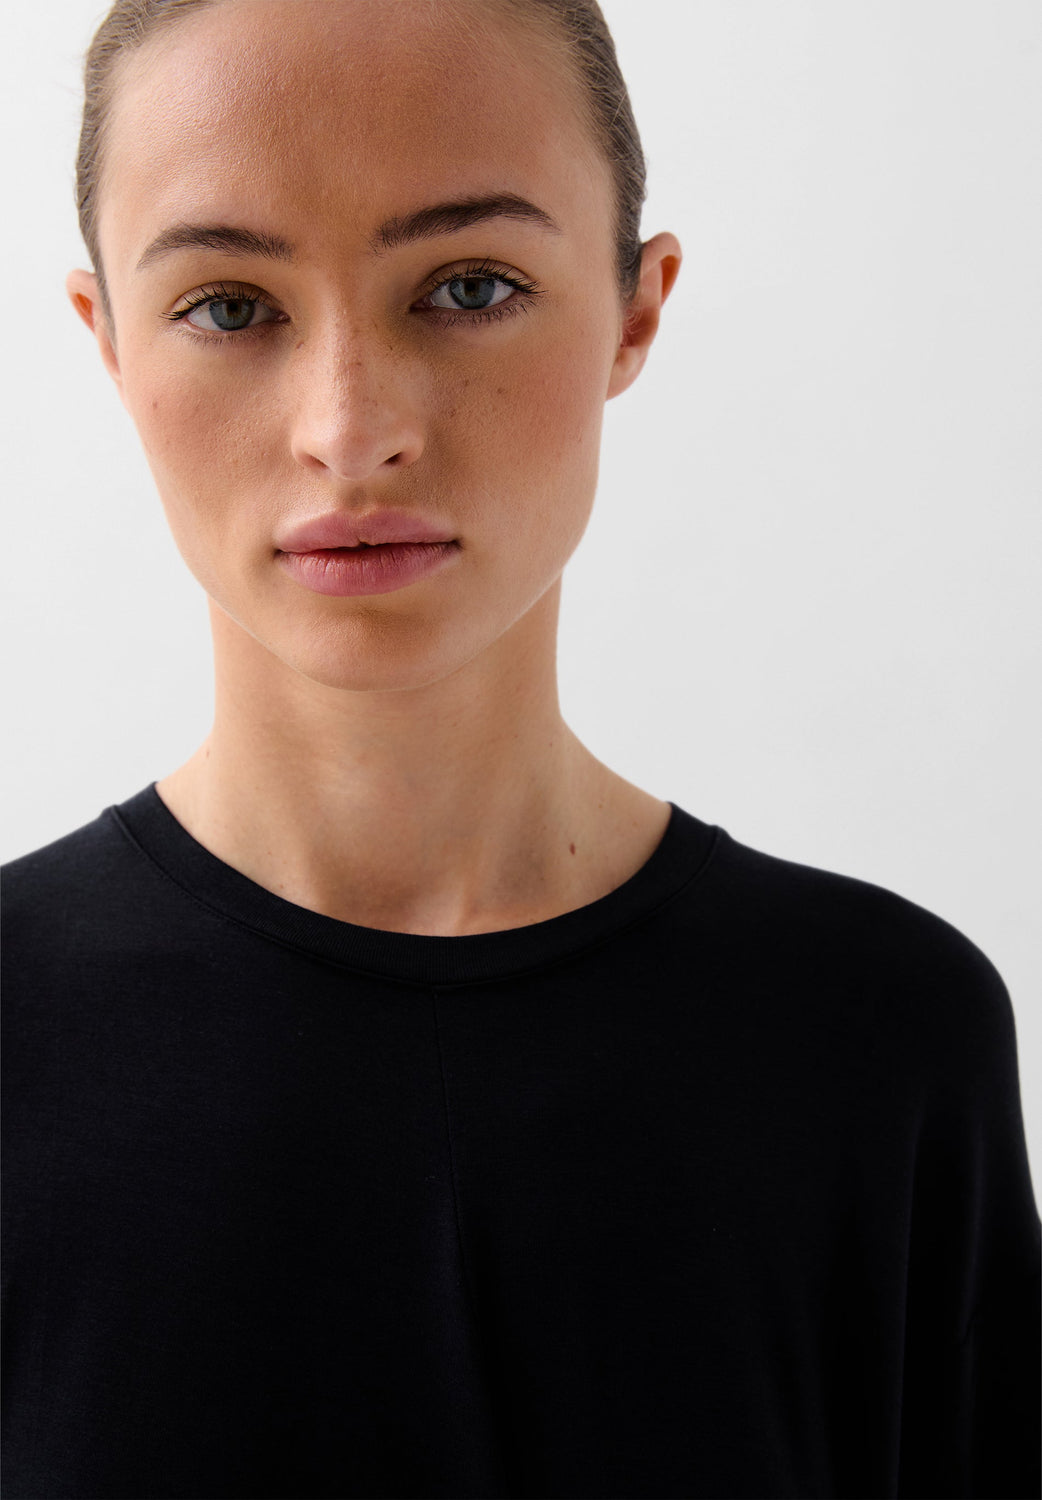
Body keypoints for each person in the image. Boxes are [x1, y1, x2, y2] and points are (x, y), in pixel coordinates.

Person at [2, 1, 1038, 1496]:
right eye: (229, 306)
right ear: (107, 340)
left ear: (635, 309)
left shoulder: (883, 1043)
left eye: (468, 286)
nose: (349, 430)